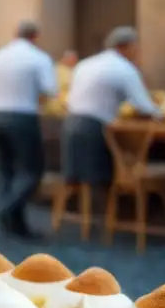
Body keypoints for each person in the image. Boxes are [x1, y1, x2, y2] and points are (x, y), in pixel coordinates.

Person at [0, 21, 57, 240]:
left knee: (5, 172)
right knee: (31, 171)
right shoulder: (39, 58)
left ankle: (16, 225)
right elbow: (49, 90)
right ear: (35, 36)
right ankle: (5, 211)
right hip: (22, 117)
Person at [62, 26, 159, 188]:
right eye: (136, 47)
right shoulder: (125, 69)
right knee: (100, 181)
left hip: (70, 126)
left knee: (76, 181)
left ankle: (81, 210)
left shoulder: (85, 64)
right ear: (128, 46)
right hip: (94, 129)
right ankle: (106, 210)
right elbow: (145, 107)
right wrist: (162, 114)